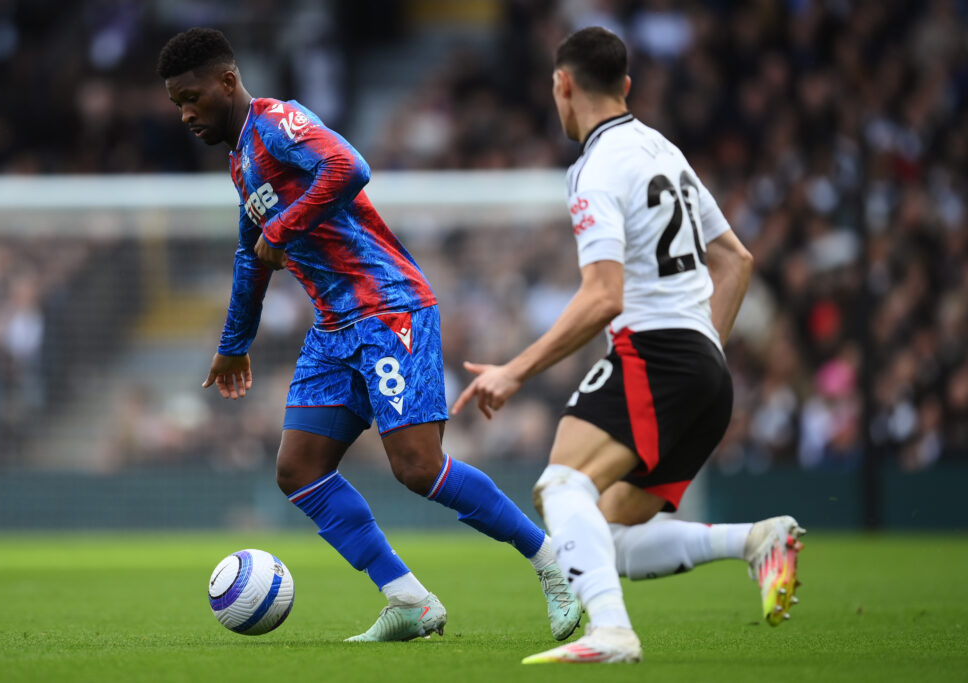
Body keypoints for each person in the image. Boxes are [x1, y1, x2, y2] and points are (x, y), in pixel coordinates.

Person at [156, 27, 581, 643]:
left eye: (192, 96)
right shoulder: (240, 161)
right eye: (177, 104)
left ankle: (552, 564)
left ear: (227, 81)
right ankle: (408, 600)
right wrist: (234, 342)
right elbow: (251, 252)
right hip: (334, 328)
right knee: (298, 469)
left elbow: (348, 166)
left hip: (388, 309)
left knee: (417, 467)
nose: (186, 113)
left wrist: (284, 228)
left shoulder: (277, 123)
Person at [453, 26, 804, 664]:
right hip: (704, 366)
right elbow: (736, 260)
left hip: (657, 354)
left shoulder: (594, 169)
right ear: (627, 87)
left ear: (562, 85)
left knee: (561, 486)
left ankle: (612, 633)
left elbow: (603, 296)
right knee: (601, 536)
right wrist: (706, 353)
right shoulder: (662, 150)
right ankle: (757, 540)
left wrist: (515, 370)